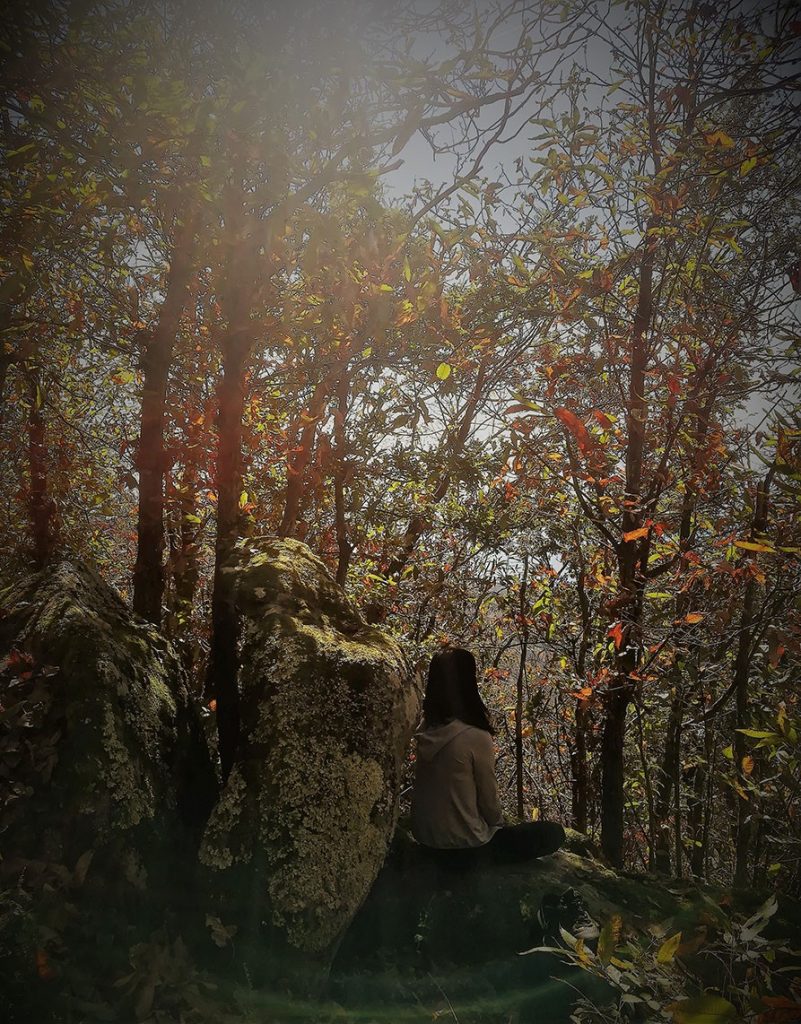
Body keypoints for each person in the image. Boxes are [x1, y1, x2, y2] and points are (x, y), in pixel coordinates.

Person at [410, 647, 566, 870]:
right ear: (468, 683)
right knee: (553, 833)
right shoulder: (474, 736)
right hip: (468, 850)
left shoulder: (425, 729)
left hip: (426, 842)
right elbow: (489, 802)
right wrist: (496, 826)